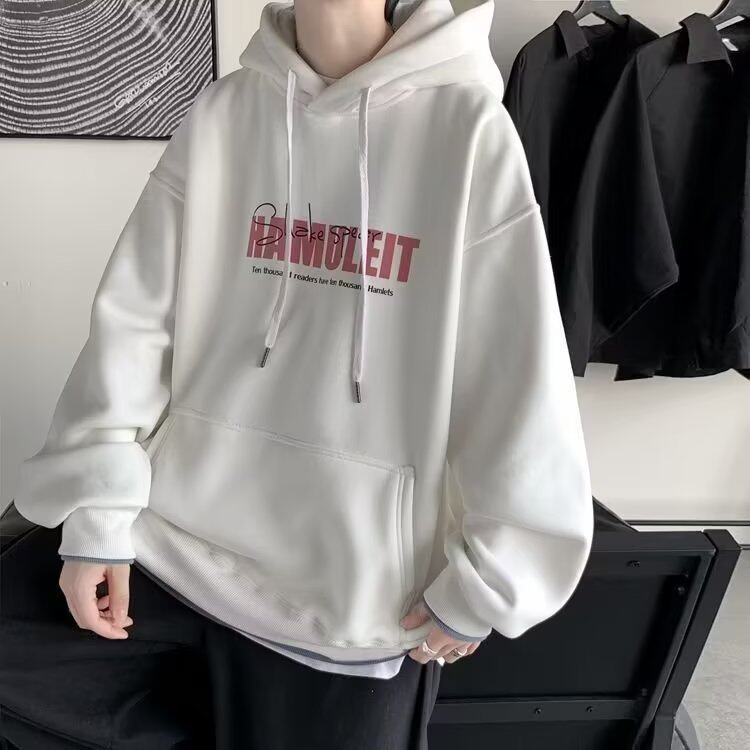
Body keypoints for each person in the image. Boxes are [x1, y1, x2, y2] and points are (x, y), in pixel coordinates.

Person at [1, 0, 594, 747]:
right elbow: (135, 325)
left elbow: (514, 369)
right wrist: (96, 512)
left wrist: (497, 574)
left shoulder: (469, 130)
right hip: (171, 544)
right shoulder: (225, 114)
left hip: (352, 600)